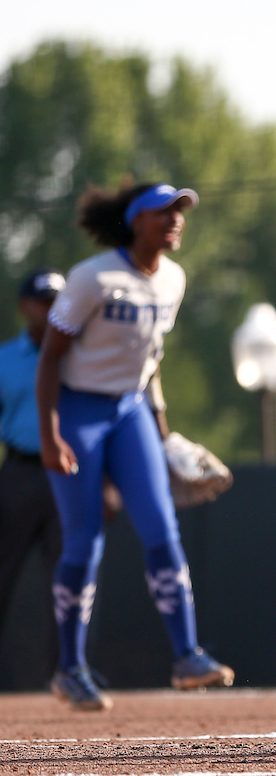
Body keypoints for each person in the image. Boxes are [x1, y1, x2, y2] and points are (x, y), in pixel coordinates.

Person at [36, 182, 234, 711]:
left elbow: (151, 361)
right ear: (136, 221)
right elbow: (51, 358)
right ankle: (70, 668)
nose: (175, 220)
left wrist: (163, 432)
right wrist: (50, 433)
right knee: (84, 540)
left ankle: (187, 655)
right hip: (78, 409)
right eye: (163, 212)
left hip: (129, 411)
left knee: (161, 526)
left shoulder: (173, 279)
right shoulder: (93, 277)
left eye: (180, 212)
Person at [0, 270, 66, 674]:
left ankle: (69, 671)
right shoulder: (5, 359)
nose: (51, 309)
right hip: (20, 472)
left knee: (70, 579)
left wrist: (108, 482)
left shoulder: (80, 354)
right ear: (26, 306)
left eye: (58, 300)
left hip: (71, 475)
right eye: (43, 301)